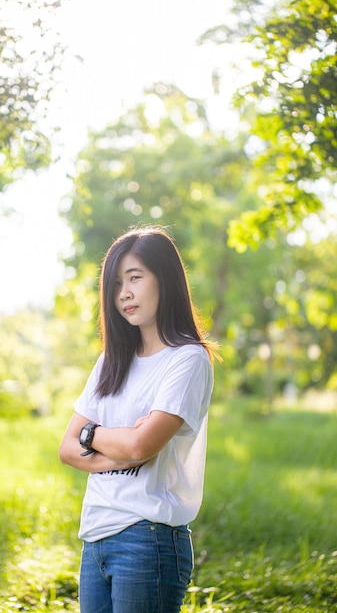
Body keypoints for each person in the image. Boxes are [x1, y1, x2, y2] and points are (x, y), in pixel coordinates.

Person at [59, 226, 219, 613]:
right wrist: (117, 445)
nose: (124, 293)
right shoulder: (110, 361)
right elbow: (67, 449)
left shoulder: (187, 359)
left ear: (165, 280)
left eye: (135, 278)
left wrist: (93, 436)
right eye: (116, 284)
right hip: (95, 534)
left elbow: (140, 445)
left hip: (148, 538)